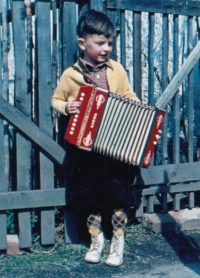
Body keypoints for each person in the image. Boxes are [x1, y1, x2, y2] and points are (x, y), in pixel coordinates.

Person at [51, 9, 140, 267]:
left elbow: (129, 95)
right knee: (89, 194)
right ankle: (96, 239)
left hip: (114, 147)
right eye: (100, 42)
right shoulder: (71, 75)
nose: (106, 48)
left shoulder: (117, 70)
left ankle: (117, 241)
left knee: (118, 193)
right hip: (85, 149)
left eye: (110, 42)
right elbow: (56, 99)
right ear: (83, 43)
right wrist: (66, 107)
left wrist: (135, 108)